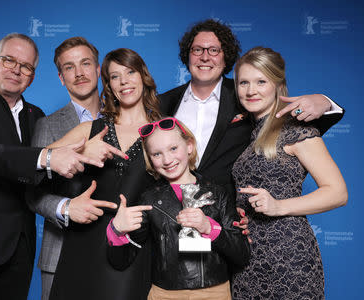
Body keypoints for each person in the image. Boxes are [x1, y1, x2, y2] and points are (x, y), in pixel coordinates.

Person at [0, 33, 105, 300]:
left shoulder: (35, 116)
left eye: (26, 66)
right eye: (9, 60)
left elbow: (36, 183)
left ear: (32, 76)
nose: (17, 69)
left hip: (19, 249)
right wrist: (48, 158)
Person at [159, 19, 344, 200]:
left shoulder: (245, 95)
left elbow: (293, 128)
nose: (205, 57)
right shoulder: (164, 102)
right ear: (187, 54)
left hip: (228, 215)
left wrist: (324, 101)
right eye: (197, 50)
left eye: (214, 50)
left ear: (226, 58)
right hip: (172, 210)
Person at [231, 46, 347, 299]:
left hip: (289, 257)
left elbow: (337, 192)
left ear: (277, 84)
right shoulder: (249, 132)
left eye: (261, 81)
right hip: (248, 260)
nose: (251, 90)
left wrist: (278, 207)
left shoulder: (296, 129)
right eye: (244, 82)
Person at [48, 48, 162, 300]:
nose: (124, 82)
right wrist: (81, 150)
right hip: (83, 242)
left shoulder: (162, 132)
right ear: (108, 85)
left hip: (130, 245)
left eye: (130, 72)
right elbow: (39, 162)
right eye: (114, 76)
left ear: (143, 76)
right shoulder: (91, 128)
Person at [107, 117, 250, 300]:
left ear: (189, 146)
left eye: (173, 148)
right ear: (149, 159)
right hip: (165, 294)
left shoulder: (218, 193)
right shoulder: (149, 199)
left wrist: (209, 228)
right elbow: (121, 261)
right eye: (156, 154)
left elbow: (242, 255)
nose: (167, 160)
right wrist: (116, 231)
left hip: (215, 292)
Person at [27, 37, 120, 300]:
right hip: (61, 253)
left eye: (85, 63)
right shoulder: (47, 125)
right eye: (69, 67)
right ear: (60, 77)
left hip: (116, 252)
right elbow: (32, 192)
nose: (79, 73)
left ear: (98, 68)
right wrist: (66, 208)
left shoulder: (126, 117)